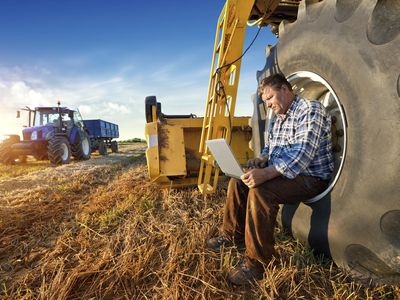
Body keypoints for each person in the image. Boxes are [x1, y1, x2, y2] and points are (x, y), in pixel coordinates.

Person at [207, 73, 334, 285]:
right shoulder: (278, 116)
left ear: (285, 89)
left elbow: (302, 154)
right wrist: (261, 159)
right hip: (284, 173)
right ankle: (232, 237)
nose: (268, 105)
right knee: (238, 182)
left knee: (261, 191)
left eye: (270, 98)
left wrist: (266, 174)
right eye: (265, 101)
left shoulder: (310, 109)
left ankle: (257, 263)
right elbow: (271, 146)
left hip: (310, 176)